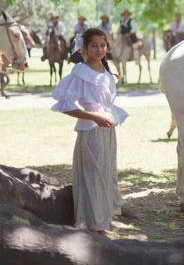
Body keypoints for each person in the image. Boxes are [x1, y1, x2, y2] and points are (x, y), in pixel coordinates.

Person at [51, 28, 128, 238]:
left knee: (105, 174)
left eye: (103, 45)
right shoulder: (80, 73)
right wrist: (94, 117)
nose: (99, 49)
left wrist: (106, 118)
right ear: (84, 48)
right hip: (92, 131)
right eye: (94, 45)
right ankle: (94, 226)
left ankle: (101, 223)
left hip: (108, 131)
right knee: (93, 176)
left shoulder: (106, 73)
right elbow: (66, 105)